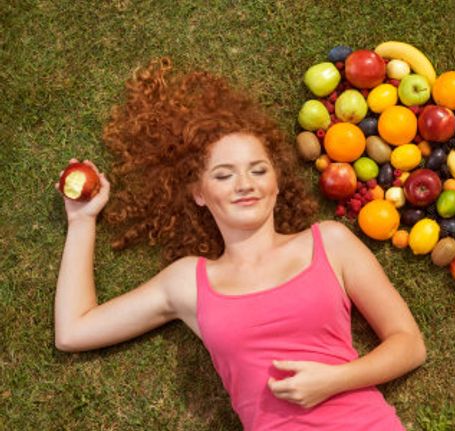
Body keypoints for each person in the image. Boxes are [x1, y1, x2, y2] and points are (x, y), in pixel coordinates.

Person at [54, 57, 426, 430]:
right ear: (199, 193)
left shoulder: (329, 243)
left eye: (258, 170)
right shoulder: (188, 283)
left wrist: (332, 380)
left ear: (277, 183)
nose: (245, 183)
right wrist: (82, 221)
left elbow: (409, 344)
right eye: (224, 174)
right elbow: (73, 332)